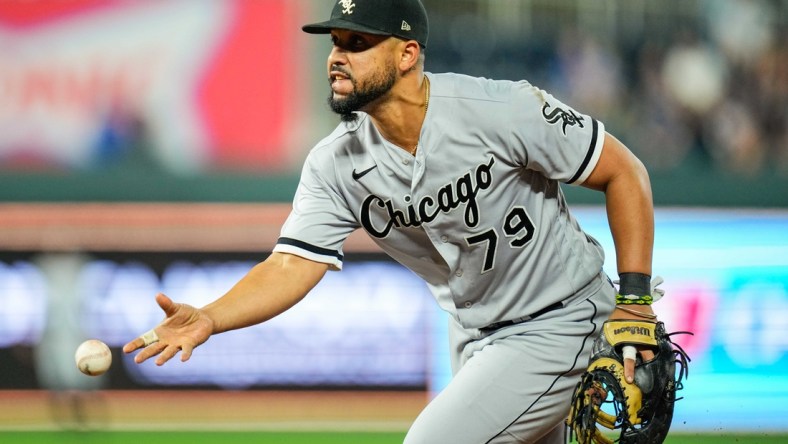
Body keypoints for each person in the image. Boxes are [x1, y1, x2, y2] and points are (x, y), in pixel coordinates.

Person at [123, 0, 660, 442]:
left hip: (561, 318)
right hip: (476, 337)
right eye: (336, 42)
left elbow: (625, 173)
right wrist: (212, 318)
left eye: (357, 44)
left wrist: (634, 299)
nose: (337, 56)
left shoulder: (499, 109)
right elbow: (290, 264)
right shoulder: (336, 163)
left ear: (407, 54)